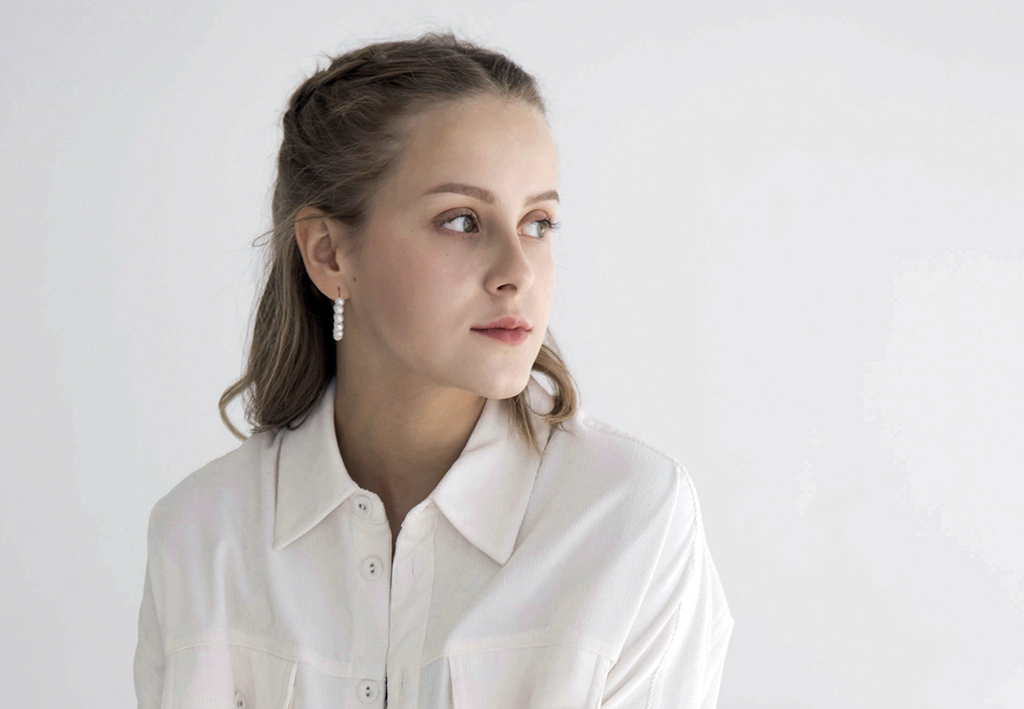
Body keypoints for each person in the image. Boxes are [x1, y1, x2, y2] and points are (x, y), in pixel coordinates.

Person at [133, 31, 734, 709]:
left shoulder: (629, 519)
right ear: (329, 254)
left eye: (538, 222)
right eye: (461, 220)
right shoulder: (201, 537)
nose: (517, 271)